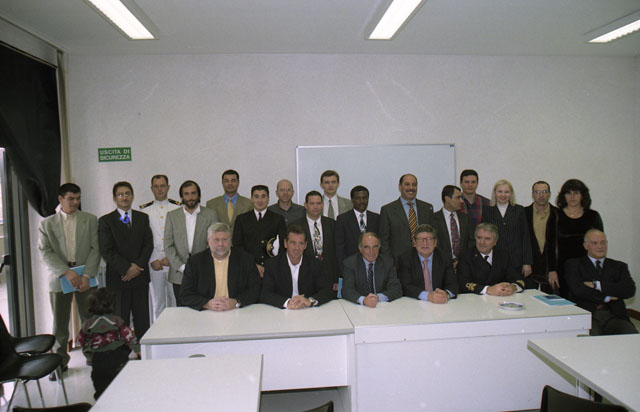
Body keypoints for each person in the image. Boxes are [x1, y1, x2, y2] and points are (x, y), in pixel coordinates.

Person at [38, 183, 100, 380]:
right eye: (70, 199)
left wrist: (87, 275)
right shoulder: (47, 224)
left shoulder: (90, 220)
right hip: (60, 277)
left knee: (89, 320)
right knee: (60, 324)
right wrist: (66, 272)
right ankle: (60, 361)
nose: (74, 203)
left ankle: (91, 355)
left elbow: (95, 249)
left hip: (85, 276)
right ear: (60, 199)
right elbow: (45, 252)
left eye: (77, 198)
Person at [98, 181, 153, 338]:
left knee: (143, 318)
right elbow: (106, 250)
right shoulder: (106, 221)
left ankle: (143, 348)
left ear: (133, 196)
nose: (124, 197)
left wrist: (137, 267)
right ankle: (122, 349)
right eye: (120, 194)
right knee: (120, 319)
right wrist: (127, 268)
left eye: (127, 193)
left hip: (140, 276)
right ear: (114, 198)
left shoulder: (142, 218)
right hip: (119, 277)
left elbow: (148, 245)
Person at [565, 230, 637, 336]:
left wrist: (597, 285)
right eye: (594, 243)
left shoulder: (619, 266)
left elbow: (629, 290)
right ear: (586, 246)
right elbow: (578, 290)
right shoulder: (573, 264)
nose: (600, 246)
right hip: (588, 315)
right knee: (593, 341)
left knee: (632, 337)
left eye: (603, 242)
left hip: (615, 315)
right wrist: (607, 297)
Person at [180, 222, 261, 311]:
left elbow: (255, 289)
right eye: (216, 240)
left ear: (230, 241)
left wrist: (237, 302)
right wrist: (206, 304)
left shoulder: (246, 260)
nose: (221, 244)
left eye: (225, 239)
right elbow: (185, 294)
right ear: (208, 241)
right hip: (205, 312)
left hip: (237, 311)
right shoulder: (195, 262)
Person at [77, 287, 138, 400]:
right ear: (112, 305)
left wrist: (89, 353)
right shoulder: (117, 321)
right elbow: (129, 337)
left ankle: (102, 403)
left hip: (98, 361)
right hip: (118, 358)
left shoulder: (87, 325)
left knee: (101, 388)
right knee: (121, 386)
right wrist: (138, 350)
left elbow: (81, 341)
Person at [164, 180, 219, 306]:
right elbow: (168, 244)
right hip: (179, 274)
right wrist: (182, 267)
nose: (190, 197)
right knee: (182, 310)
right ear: (182, 196)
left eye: (193, 193)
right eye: (186, 194)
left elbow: (214, 243)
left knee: (204, 308)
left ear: (199, 195)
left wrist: (201, 267)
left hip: (203, 273)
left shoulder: (210, 214)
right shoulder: (172, 216)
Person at [139, 174, 181, 323]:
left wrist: (171, 258)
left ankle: (176, 331)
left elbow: (181, 238)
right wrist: (152, 260)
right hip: (154, 263)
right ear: (151, 188)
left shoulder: (178, 208)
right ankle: (159, 332)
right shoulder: (144, 211)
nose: (159, 189)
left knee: (175, 301)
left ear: (168, 187)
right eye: (156, 186)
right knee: (158, 303)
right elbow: (143, 240)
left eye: (162, 186)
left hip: (173, 263)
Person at [260, 224, 334, 309]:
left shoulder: (315, 264)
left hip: (308, 311)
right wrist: (287, 303)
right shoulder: (272, 265)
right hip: (282, 311)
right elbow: (265, 294)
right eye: (293, 243)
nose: (297, 248)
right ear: (285, 243)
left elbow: (327, 290)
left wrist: (310, 300)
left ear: (305, 245)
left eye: (301, 243)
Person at [556, 179, 604, 298]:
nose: (572, 197)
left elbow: (600, 243)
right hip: (562, 268)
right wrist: (551, 271)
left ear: (583, 195)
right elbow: (550, 244)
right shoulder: (556, 215)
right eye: (568, 193)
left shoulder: (593, 216)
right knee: (564, 301)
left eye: (576, 193)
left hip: (587, 267)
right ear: (563, 196)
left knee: (587, 300)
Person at [481, 179, 533, 281]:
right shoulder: (487, 211)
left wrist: (527, 262)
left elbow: (525, 237)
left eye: (506, 192)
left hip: (516, 261)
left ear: (511, 194)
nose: (503, 195)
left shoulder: (519, 210)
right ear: (495, 193)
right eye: (500, 191)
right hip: (495, 261)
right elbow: (484, 237)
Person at [233, 185, 287, 278]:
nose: (260, 200)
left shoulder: (278, 219)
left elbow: (283, 245)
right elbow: (237, 246)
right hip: (248, 269)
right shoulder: (242, 219)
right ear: (251, 199)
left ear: (268, 198)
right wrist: (253, 265)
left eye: (263, 196)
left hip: (272, 270)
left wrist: (270, 266)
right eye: (256, 197)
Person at [457, 223, 524, 295]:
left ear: (495, 242)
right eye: (479, 238)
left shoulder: (503, 255)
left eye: (487, 239)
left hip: (501, 297)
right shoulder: (466, 256)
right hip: (476, 298)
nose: (482, 242)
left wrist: (513, 288)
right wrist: (488, 289)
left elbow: (517, 279)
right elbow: (463, 283)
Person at [291, 191, 339, 291]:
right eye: (312, 203)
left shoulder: (332, 224)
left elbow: (336, 253)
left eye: (318, 203)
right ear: (305, 205)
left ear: (322, 204)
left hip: (328, 277)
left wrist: (337, 278)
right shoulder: (295, 225)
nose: (316, 207)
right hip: (304, 276)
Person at [379, 174, 434, 261]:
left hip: (424, 260)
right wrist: (389, 263)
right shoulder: (387, 210)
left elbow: (433, 236)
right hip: (398, 262)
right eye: (407, 184)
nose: (411, 188)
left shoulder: (427, 208)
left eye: (414, 185)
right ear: (400, 187)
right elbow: (384, 241)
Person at [397, 224, 458, 303]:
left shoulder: (444, 257)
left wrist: (446, 294)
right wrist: (428, 296)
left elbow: (453, 284)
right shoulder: (405, 259)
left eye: (429, 239)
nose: (425, 243)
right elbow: (405, 286)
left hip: (440, 303)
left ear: (435, 242)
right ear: (414, 242)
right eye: (420, 239)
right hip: (415, 303)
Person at [342, 232, 402, 307]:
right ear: (360, 248)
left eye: (375, 247)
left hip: (382, 307)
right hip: (358, 308)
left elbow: (396, 288)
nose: (371, 252)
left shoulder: (387, 262)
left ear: (379, 247)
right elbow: (347, 290)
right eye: (367, 247)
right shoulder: (350, 263)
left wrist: (377, 298)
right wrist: (364, 300)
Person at [335, 185, 380, 275]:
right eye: (358, 198)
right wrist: (345, 271)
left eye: (364, 198)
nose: (362, 201)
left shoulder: (377, 218)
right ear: (352, 199)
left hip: (373, 269)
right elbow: (339, 249)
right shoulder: (342, 219)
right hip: (351, 269)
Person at [524, 181, 559, 293]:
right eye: (537, 192)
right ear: (532, 194)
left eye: (544, 192)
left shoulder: (558, 214)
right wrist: (525, 262)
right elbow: (520, 240)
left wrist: (553, 269)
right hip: (529, 266)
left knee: (551, 300)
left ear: (549, 194)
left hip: (551, 267)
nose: (541, 195)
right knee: (528, 298)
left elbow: (558, 243)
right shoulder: (524, 213)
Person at [432, 185, 474, 270]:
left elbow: (471, 242)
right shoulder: (433, 219)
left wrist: (462, 261)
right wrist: (448, 262)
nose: (461, 201)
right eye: (458, 197)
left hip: (464, 266)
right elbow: (433, 244)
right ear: (447, 199)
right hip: (441, 266)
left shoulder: (466, 219)